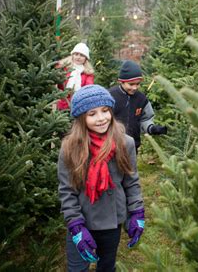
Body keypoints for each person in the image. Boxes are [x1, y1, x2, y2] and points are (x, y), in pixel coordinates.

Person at [57, 84, 145, 271]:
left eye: (105, 111)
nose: (101, 118)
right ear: (81, 118)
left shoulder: (125, 142)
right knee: (77, 267)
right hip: (83, 220)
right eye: (92, 114)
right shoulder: (69, 148)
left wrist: (137, 212)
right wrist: (76, 226)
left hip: (112, 222)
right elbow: (67, 190)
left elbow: (131, 181)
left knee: (106, 265)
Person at [108, 60, 167, 152]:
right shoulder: (110, 96)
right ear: (121, 81)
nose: (134, 87)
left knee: (131, 166)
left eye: (138, 84)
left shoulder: (141, 99)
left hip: (133, 146)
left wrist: (151, 128)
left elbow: (145, 119)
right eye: (131, 84)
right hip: (111, 146)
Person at [56, 42, 95, 111]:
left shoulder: (88, 73)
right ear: (72, 55)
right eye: (76, 54)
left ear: (86, 58)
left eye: (82, 55)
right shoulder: (64, 68)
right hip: (62, 104)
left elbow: (88, 88)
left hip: (78, 105)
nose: (78, 57)